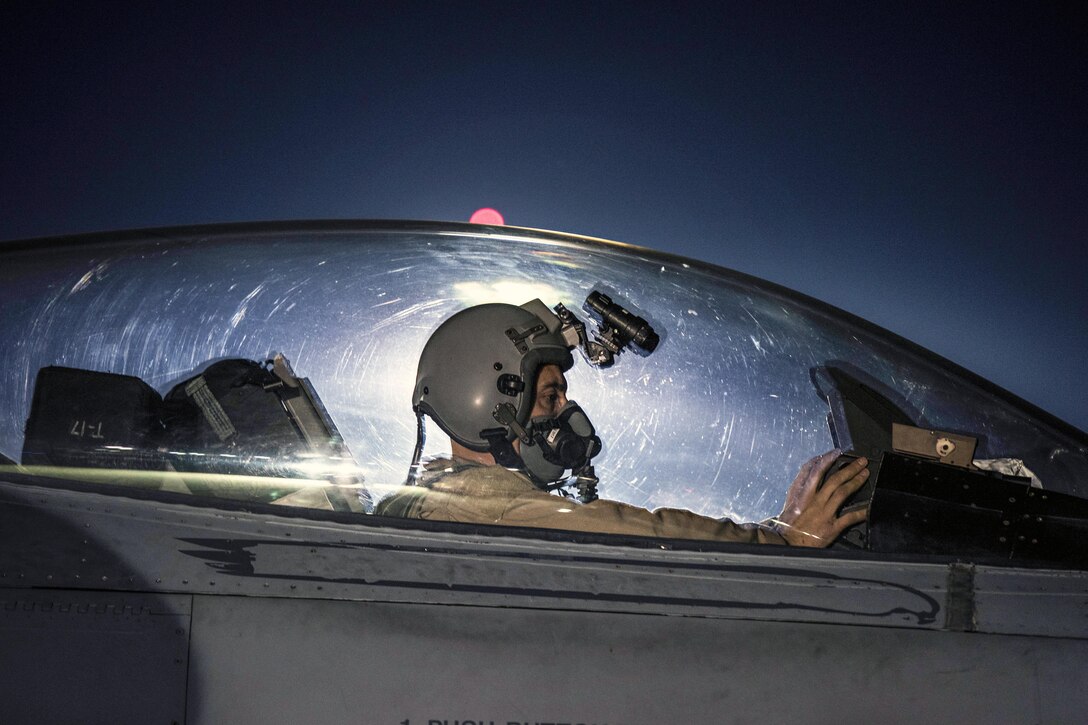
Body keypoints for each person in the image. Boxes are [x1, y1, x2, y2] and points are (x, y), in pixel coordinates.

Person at [376, 299, 868, 547]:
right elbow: (639, 531)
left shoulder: (432, 505)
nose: (569, 414)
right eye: (551, 396)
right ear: (488, 405)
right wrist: (784, 540)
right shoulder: (498, 517)